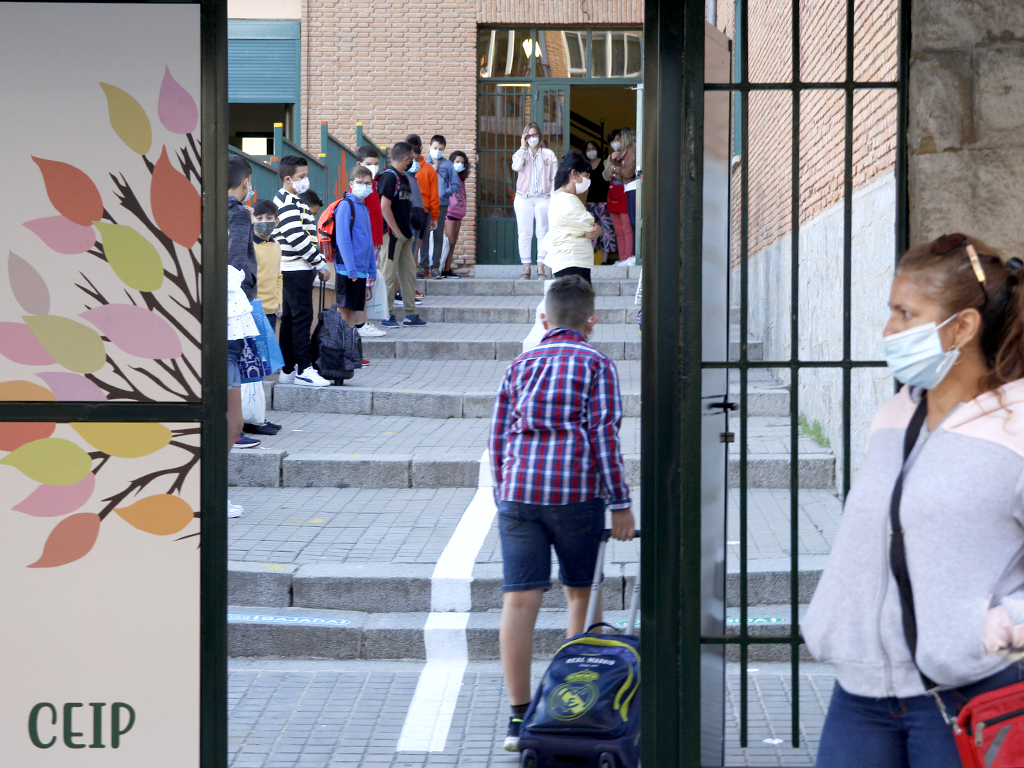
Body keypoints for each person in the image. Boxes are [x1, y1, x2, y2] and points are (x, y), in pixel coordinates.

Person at [803, 233, 1024, 768]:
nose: (888, 330)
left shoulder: (1016, 428)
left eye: (906, 313)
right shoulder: (894, 415)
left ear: (963, 327)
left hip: (967, 694)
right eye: (891, 312)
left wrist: (1000, 627)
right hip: (859, 693)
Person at [489, 275, 636, 752]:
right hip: (576, 494)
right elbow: (602, 437)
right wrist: (620, 504)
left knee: (518, 601)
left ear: (543, 318)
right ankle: (577, 708)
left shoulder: (520, 365)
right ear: (591, 323)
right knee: (581, 595)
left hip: (518, 494)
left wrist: (504, 492)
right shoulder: (597, 364)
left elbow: (498, 436)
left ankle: (517, 720)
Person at [273, 155, 331, 387]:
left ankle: (288, 368)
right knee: (301, 319)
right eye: (301, 177)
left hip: (293, 269)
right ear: (288, 178)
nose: (305, 180)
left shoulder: (291, 199)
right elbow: (297, 237)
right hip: (296, 269)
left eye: (306, 176)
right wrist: (320, 263)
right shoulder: (287, 202)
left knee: (290, 319)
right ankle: (304, 369)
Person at [227, 156, 262, 451]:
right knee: (232, 418)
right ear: (245, 182)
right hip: (232, 309)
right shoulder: (237, 214)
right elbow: (237, 259)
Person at [378, 142, 427, 328]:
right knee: (389, 276)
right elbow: (384, 206)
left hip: (405, 235)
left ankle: (410, 314)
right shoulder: (389, 177)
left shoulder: (404, 177)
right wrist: (396, 231)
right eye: (412, 160)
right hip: (392, 235)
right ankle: (387, 314)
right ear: (406, 159)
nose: (413, 163)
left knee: (408, 274)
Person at [542, 152, 602, 284]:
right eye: (586, 176)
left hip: (568, 260)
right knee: (579, 303)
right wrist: (597, 228)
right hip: (573, 261)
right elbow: (589, 225)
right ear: (574, 174)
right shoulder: (567, 199)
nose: (588, 180)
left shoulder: (558, 196)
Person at [511, 122, 557, 280]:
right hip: (523, 198)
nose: (532, 138)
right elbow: (516, 167)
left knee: (543, 232)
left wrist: (552, 196)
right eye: (529, 135)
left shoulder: (549, 154)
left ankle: (541, 268)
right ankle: (526, 268)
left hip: (543, 198)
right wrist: (523, 148)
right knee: (524, 233)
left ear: (540, 136)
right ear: (525, 137)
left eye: (535, 135)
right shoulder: (520, 153)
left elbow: (554, 177)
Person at [335, 165, 377, 328]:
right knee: (344, 310)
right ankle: (341, 347)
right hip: (348, 269)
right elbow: (343, 240)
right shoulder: (346, 205)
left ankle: (349, 348)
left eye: (368, 183)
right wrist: (351, 269)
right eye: (360, 182)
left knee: (353, 310)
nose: (364, 186)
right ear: (351, 184)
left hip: (360, 269)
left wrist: (371, 269)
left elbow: (368, 241)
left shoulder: (364, 207)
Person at [352, 147, 386, 338]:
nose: (373, 168)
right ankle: (361, 323)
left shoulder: (373, 185)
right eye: (368, 164)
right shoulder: (361, 188)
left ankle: (362, 321)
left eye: (375, 164)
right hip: (365, 241)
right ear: (359, 165)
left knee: (367, 282)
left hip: (375, 240)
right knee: (362, 282)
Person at [426, 134, 460, 279]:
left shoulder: (448, 165)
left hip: (441, 204)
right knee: (424, 235)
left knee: (438, 235)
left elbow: (456, 185)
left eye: (440, 149)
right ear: (429, 147)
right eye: (435, 148)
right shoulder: (423, 164)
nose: (437, 151)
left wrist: (445, 192)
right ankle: (423, 266)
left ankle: (435, 268)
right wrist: (431, 171)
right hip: (425, 205)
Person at [406, 134, 439, 279]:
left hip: (411, 212)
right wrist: (435, 217)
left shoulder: (404, 169)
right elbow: (434, 196)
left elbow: (434, 195)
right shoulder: (429, 169)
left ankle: (410, 283)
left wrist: (435, 216)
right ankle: (410, 283)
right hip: (422, 212)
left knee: (410, 250)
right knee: (415, 249)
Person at [583, 140, 616, 264]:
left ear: (597, 149)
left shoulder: (604, 163)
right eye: (588, 149)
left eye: (592, 148)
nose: (591, 151)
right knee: (590, 231)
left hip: (604, 202)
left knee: (606, 231)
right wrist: (585, 203)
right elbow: (586, 187)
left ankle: (604, 260)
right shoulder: (586, 167)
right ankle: (589, 259)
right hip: (591, 203)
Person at [602, 129, 633, 264]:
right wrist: (612, 162)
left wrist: (618, 163)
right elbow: (606, 176)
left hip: (625, 193)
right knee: (618, 231)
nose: (615, 143)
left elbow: (627, 173)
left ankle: (628, 257)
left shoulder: (629, 154)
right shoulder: (609, 158)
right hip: (612, 195)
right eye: (612, 141)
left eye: (617, 140)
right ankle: (622, 259)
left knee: (627, 229)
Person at [252, 199, 283, 331]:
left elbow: (278, 277)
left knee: (267, 350)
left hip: (271, 311)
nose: (264, 221)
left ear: (276, 222)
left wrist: (278, 302)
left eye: (269, 218)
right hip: (252, 310)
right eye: (259, 218)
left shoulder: (276, 246)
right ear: (252, 221)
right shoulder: (249, 246)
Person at [441, 150, 470, 279]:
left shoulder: (461, 179)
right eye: (457, 162)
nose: (460, 165)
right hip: (450, 213)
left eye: (462, 163)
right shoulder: (447, 176)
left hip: (459, 213)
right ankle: (442, 268)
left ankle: (447, 269)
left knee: (453, 243)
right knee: (449, 242)